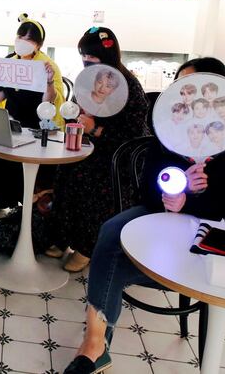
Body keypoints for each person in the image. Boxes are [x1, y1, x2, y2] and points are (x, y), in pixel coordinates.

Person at [62, 56, 225, 374]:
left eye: (194, 90)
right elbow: (147, 191)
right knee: (110, 233)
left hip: (218, 238)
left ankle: (97, 345)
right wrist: (171, 197)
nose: (186, 98)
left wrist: (200, 196)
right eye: (181, 90)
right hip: (163, 220)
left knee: (114, 267)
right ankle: (94, 344)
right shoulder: (169, 132)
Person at [44, 27, 150, 272]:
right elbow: (73, 110)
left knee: (91, 186)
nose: (87, 60)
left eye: (91, 55)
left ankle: (86, 248)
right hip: (83, 145)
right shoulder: (86, 79)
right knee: (64, 176)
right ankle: (61, 238)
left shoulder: (129, 86)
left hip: (114, 156)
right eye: (83, 55)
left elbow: (134, 133)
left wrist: (97, 130)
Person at [0, 17, 65, 215]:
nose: (23, 42)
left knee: (27, 165)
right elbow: (0, 95)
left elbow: (51, 102)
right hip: (11, 121)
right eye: (20, 36)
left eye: (30, 39)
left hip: (36, 124)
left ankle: (28, 205)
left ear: (39, 44)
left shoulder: (48, 66)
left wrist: (49, 82)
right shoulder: (9, 62)